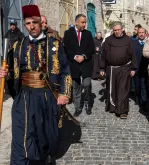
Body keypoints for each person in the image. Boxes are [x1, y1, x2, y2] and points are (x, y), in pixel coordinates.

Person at [0, 5, 72, 165]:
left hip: (47, 96)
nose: (31, 26)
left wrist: (64, 94)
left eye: (34, 22)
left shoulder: (56, 45)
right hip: (24, 97)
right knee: (21, 138)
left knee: (45, 137)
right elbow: (10, 70)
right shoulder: (17, 47)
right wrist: (5, 73)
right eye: (27, 23)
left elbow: (66, 70)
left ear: (41, 22)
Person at [100, 21, 137, 119]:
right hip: (111, 69)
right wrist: (102, 68)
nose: (116, 32)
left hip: (125, 68)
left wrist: (133, 68)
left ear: (122, 29)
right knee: (112, 89)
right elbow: (103, 55)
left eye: (118, 30)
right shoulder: (108, 40)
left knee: (122, 89)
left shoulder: (128, 40)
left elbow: (133, 54)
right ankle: (113, 107)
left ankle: (123, 110)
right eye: (115, 30)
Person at [64, 14, 94, 117]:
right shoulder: (68, 33)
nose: (84, 24)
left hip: (86, 64)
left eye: (85, 22)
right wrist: (75, 56)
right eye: (82, 22)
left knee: (87, 85)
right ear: (76, 22)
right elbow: (66, 49)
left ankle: (87, 104)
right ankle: (77, 107)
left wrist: (84, 56)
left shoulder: (88, 34)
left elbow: (91, 49)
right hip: (74, 65)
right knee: (76, 87)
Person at [132, 27, 148, 106]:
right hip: (136, 68)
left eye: (143, 32)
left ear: (145, 33)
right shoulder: (134, 44)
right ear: (138, 34)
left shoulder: (148, 43)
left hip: (145, 69)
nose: (141, 34)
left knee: (144, 85)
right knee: (137, 86)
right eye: (140, 32)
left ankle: (144, 101)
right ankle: (137, 98)